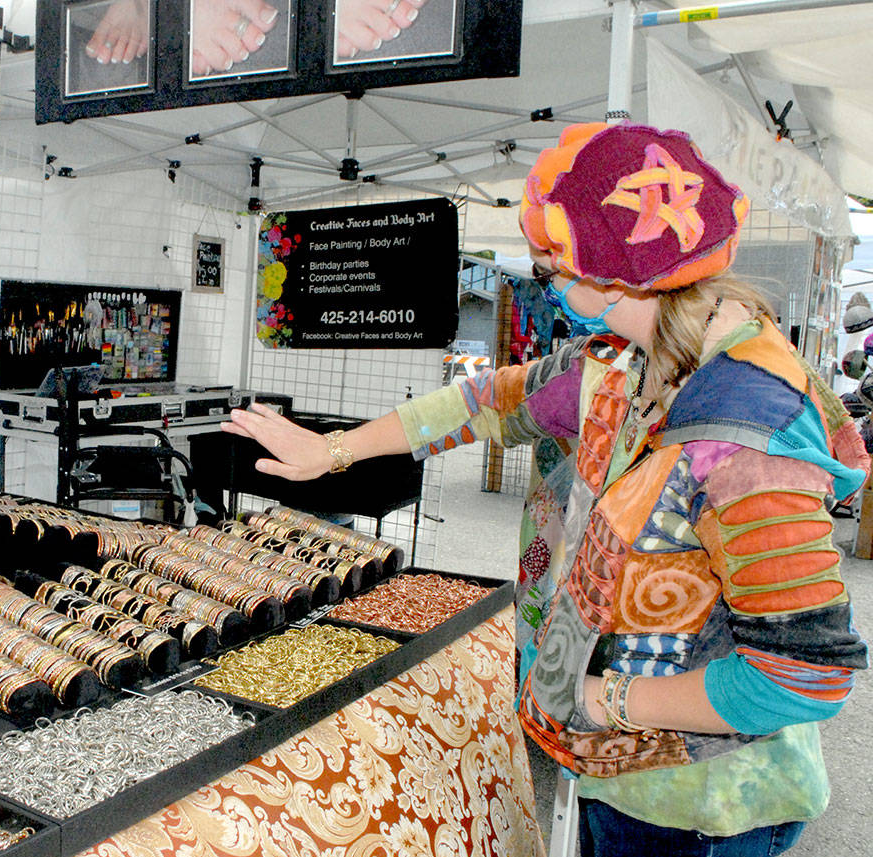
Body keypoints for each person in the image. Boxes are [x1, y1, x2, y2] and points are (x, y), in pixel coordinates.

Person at [223, 122, 868, 855]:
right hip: (618, 777)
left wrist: (601, 698)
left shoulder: (748, 431)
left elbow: (803, 674)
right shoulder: (622, 362)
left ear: (607, 273)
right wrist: (333, 449)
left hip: (706, 805)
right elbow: (485, 403)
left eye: (547, 269)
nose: (548, 286)